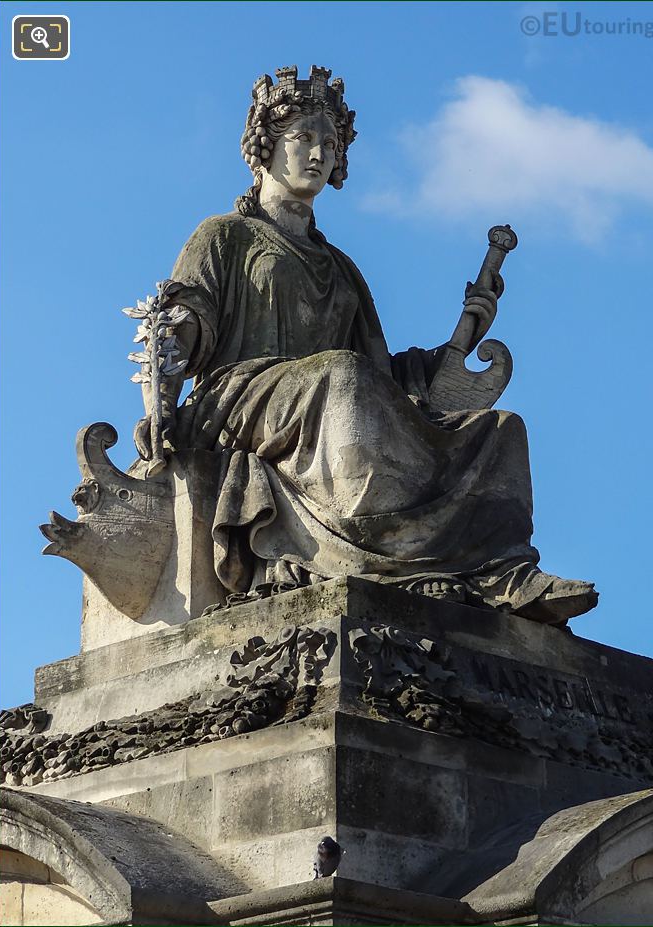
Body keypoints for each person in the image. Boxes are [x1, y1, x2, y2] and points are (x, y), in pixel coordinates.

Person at [132, 66, 597, 625]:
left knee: (500, 431)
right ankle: (382, 559)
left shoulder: (343, 269)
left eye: (331, 143)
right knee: (342, 376)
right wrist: (159, 395)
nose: (319, 153)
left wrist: (447, 350)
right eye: (304, 136)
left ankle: (500, 571)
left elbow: (381, 381)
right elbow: (184, 320)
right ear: (266, 144)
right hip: (239, 398)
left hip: (328, 393)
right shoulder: (224, 235)